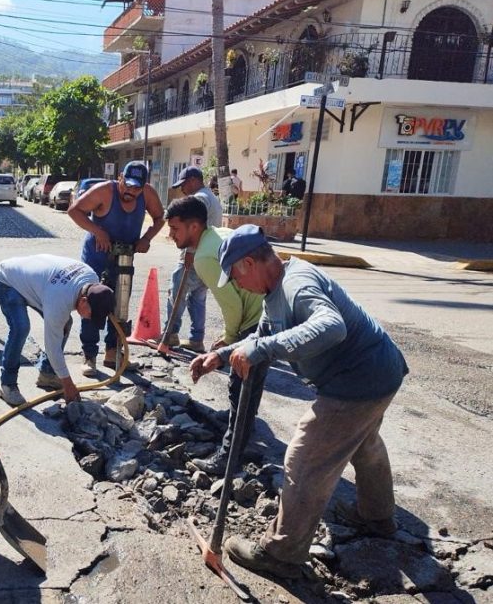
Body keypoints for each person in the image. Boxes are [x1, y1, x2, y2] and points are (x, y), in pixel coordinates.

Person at [189, 224, 409, 579]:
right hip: (380, 374)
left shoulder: (296, 285)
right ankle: (378, 517)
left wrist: (259, 349)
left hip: (357, 382)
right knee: (364, 444)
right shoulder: (275, 289)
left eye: (233, 277)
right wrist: (221, 355)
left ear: (248, 263)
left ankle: (282, 552)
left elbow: (331, 326)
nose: (236, 286)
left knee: (304, 459)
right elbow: (263, 335)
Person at [165, 197, 264, 474]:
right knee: (248, 382)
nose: (170, 235)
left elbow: (232, 305)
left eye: (175, 229)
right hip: (262, 307)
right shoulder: (215, 235)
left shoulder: (205, 257)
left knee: (240, 383)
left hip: (255, 316)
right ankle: (241, 422)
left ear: (194, 227)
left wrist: (230, 339)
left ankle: (230, 456)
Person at [67, 160, 165, 375]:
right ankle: (89, 355)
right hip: (96, 259)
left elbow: (160, 217)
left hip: (124, 259)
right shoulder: (103, 191)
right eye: (127, 185)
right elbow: (74, 211)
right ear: (120, 177)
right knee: (93, 303)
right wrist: (98, 232)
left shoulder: (147, 194)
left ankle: (113, 353)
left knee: (120, 305)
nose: (131, 191)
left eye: (136, 188)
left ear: (144, 185)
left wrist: (147, 238)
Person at [0, 254, 115, 406]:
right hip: (6, 280)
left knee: (64, 323)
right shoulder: (59, 301)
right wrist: (68, 384)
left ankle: (48, 374)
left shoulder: (92, 279)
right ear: (83, 301)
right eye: (91, 315)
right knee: (21, 327)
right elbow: (52, 347)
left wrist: (64, 379)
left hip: (37, 284)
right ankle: (7, 385)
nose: (90, 319)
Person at [163, 166, 221, 353]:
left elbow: (193, 226)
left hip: (195, 254)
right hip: (207, 255)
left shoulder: (199, 198)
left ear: (194, 180)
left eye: (185, 184)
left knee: (177, 292)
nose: (183, 189)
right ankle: (196, 338)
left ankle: (170, 334)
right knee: (197, 297)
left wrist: (189, 251)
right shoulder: (211, 196)